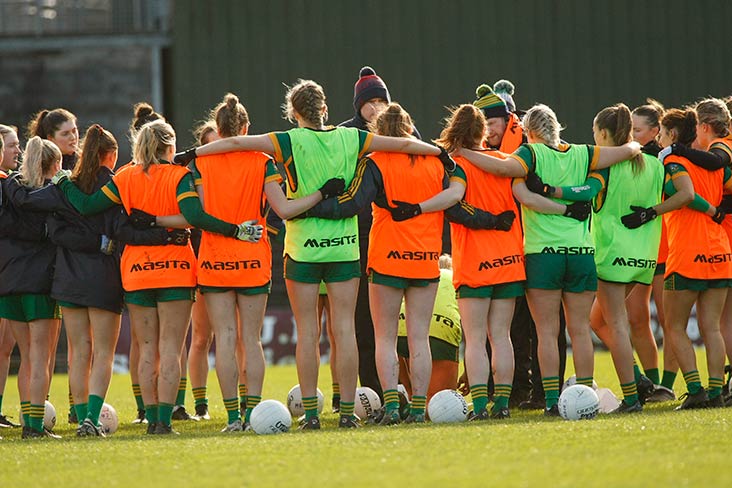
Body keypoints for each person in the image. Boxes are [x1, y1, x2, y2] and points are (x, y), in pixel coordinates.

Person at [176, 79, 456, 429]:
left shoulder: (286, 140)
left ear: (294, 113)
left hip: (303, 250)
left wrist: (194, 153)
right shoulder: (352, 138)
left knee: (308, 333)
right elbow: (400, 143)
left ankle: (311, 415)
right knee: (345, 332)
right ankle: (346, 414)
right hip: (344, 249)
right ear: (325, 109)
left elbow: (234, 142)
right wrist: (437, 151)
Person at [55, 119, 264, 435]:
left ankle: (150, 416)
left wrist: (62, 181)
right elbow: (195, 218)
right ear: (170, 146)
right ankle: (163, 423)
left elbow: (86, 205)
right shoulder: (181, 176)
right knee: (169, 349)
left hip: (137, 273)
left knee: (148, 348)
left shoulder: (125, 176)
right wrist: (235, 230)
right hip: (177, 273)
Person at [456, 103, 641, 415]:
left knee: (547, 332)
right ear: (558, 127)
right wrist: (636, 144)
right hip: (581, 253)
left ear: (529, 132)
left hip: (544, 255)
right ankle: (585, 397)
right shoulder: (584, 153)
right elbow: (627, 151)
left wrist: (463, 152)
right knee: (579, 330)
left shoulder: (530, 155)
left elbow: (501, 169)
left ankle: (553, 401)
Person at [306, 102, 478, 424]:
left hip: (386, 259)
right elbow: (457, 195)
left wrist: (309, 207)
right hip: (425, 260)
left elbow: (353, 202)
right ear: (410, 128)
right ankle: (417, 409)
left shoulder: (376, 162)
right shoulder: (436, 164)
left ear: (379, 132)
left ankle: (392, 408)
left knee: (384, 338)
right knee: (418, 339)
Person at [8, 125, 181, 436]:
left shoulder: (65, 185)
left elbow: (39, 212)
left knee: (79, 351)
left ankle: (75, 415)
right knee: (102, 352)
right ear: (111, 155)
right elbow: (125, 230)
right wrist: (162, 234)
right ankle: (90, 419)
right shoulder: (116, 186)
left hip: (67, 280)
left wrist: (13, 183)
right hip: (103, 279)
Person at [181, 93, 338, 432]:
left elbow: (200, 216)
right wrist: (321, 194)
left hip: (214, 261)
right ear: (245, 128)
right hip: (253, 260)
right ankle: (253, 413)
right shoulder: (263, 161)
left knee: (223, 338)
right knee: (249, 340)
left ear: (217, 130)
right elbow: (284, 209)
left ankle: (233, 418)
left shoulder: (200, 164)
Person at [527, 104, 666, 412]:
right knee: (595, 320)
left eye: (594, 132)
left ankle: (632, 397)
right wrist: (652, 213)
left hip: (610, 254)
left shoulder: (605, 166)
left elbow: (586, 191)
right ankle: (642, 381)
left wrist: (551, 189)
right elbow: (683, 193)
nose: (593, 137)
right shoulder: (655, 165)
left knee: (614, 324)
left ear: (603, 133)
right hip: (643, 258)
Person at [435, 103, 524, 420]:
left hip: (474, 263)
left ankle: (480, 405)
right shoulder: (506, 161)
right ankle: (502, 405)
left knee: (474, 340)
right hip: (510, 259)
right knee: (501, 336)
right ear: (483, 132)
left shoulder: (455, 166)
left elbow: (455, 207)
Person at [338, 66, 421, 400]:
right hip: (359, 240)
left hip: (400, 237)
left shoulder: (408, 135)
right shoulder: (345, 135)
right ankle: (370, 391)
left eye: (379, 100)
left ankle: (405, 391)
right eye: (368, 102)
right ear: (358, 106)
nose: (374, 107)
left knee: (401, 327)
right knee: (363, 324)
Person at [648, 107, 732, 409]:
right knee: (712, 327)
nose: (658, 139)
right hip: (720, 251)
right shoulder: (717, 164)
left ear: (672, 135)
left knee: (674, 327)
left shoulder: (673, 160)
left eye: (660, 133)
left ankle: (695, 390)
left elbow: (684, 195)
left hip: (686, 252)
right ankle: (716, 392)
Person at [0, 137, 63, 438]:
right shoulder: (54, 195)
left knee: (25, 356)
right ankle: (35, 427)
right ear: (55, 165)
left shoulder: (8, 190)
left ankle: (29, 422)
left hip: (9, 282)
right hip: (40, 283)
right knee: (41, 356)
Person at [397, 255, 461, 402]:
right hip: (441, 328)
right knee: (443, 400)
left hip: (400, 327)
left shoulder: (420, 274)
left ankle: (406, 404)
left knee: (414, 396)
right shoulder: (456, 277)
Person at [0, 125, 22, 429]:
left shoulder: (9, 183)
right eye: (12, 145)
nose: (18, 150)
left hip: (7, 274)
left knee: (5, 347)